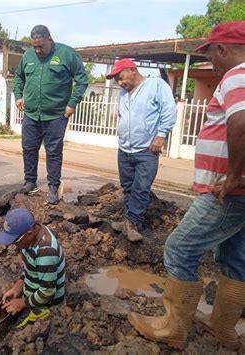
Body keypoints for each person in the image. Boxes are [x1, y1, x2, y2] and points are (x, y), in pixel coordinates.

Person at [128, 21, 245, 350]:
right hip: (240, 193)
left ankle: (173, 328)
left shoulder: (237, 76)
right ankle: (224, 330)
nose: (210, 63)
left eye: (210, 54)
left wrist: (234, 175)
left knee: (179, 249)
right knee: (236, 259)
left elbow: (241, 120)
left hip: (227, 193)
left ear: (222, 49)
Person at [13, 25, 88, 205]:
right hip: (32, 114)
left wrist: (72, 103)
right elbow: (19, 77)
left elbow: (82, 80)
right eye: (34, 46)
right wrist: (18, 95)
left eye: (41, 46)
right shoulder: (28, 56)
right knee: (29, 148)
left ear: (49, 39)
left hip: (56, 115)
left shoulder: (66, 54)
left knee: (53, 152)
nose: (37, 50)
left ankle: (53, 186)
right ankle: (30, 181)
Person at [107, 59, 176, 242]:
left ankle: (133, 222)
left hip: (146, 149)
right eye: (117, 81)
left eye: (121, 78)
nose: (120, 83)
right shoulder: (123, 94)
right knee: (128, 187)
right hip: (125, 149)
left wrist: (161, 135)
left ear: (132, 70)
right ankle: (130, 221)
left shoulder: (156, 85)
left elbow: (169, 110)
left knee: (141, 188)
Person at [0, 208, 65, 327]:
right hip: (34, 292)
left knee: (18, 332)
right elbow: (32, 267)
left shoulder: (45, 252)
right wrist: (18, 286)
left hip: (46, 302)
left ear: (29, 234)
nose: (13, 244)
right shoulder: (33, 235)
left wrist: (22, 303)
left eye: (15, 241)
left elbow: (47, 292)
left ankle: (41, 313)